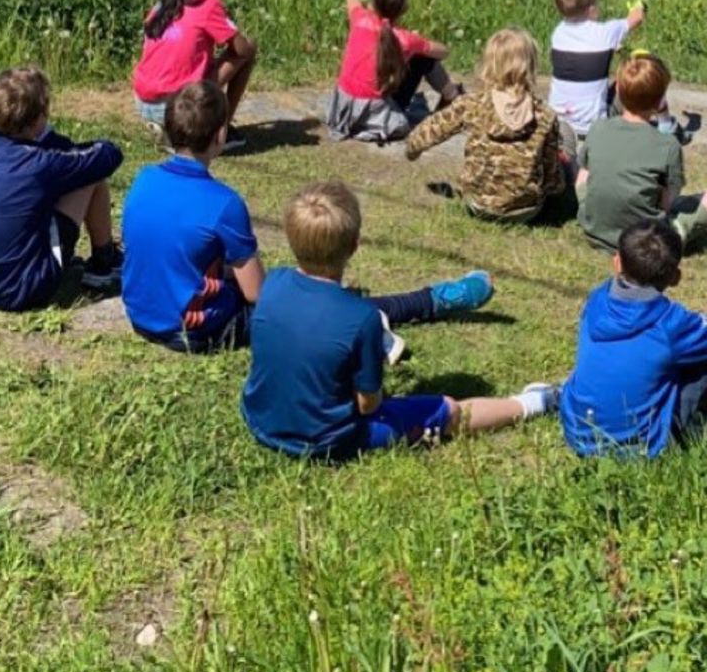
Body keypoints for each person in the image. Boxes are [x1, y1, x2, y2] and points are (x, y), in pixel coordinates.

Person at [241, 180, 553, 459]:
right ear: (354, 247)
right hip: (326, 440)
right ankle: (533, 403)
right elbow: (368, 406)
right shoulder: (362, 318)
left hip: (259, 419)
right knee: (447, 409)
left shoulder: (273, 284)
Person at [560, 212, 707, 458]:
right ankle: (704, 425)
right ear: (675, 278)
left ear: (617, 262)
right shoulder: (672, 325)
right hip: (637, 450)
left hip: (577, 431)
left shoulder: (597, 299)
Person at [0, 66, 124, 312]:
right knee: (90, 176)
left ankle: (92, 259)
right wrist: (57, 142)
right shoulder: (42, 164)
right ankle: (104, 262)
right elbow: (109, 155)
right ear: (36, 118)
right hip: (20, 288)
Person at [122, 80, 264, 351]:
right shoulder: (225, 203)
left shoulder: (144, 178)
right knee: (282, 311)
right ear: (220, 134)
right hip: (191, 329)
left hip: (139, 315)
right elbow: (256, 293)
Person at [405, 28, 572, 222]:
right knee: (566, 137)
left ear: (489, 64)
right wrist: (558, 188)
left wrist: (412, 149)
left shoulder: (472, 104)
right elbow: (551, 171)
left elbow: (430, 130)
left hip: (479, 204)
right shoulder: (544, 114)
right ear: (531, 65)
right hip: (526, 210)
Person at [578, 54, 707, 252]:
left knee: (585, 171)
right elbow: (668, 203)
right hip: (645, 240)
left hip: (594, 228)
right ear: (661, 99)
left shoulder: (598, 128)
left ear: (617, 88)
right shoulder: (668, 145)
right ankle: (678, 228)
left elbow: (583, 176)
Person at [133, 0, 256, 146]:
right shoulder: (207, 5)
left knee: (195, 67)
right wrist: (231, 29)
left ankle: (162, 125)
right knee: (248, 49)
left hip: (143, 101)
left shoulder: (160, 6)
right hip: (178, 105)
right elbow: (242, 49)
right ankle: (222, 129)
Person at [326, 0, 454, 144]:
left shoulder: (359, 19)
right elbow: (443, 52)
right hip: (374, 116)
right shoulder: (405, 39)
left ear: (372, 4)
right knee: (424, 59)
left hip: (344, 109)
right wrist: (415, 48)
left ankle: (451, 97)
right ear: (403, 10)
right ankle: (451, 97)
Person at [548, 0, 648, 153]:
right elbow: (636, 18)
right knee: (634, 75)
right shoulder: (606, 32)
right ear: (592, 8)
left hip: (559, 122)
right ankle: (657, 127)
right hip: (593, 127)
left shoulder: (558, 33)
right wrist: (639, 6)